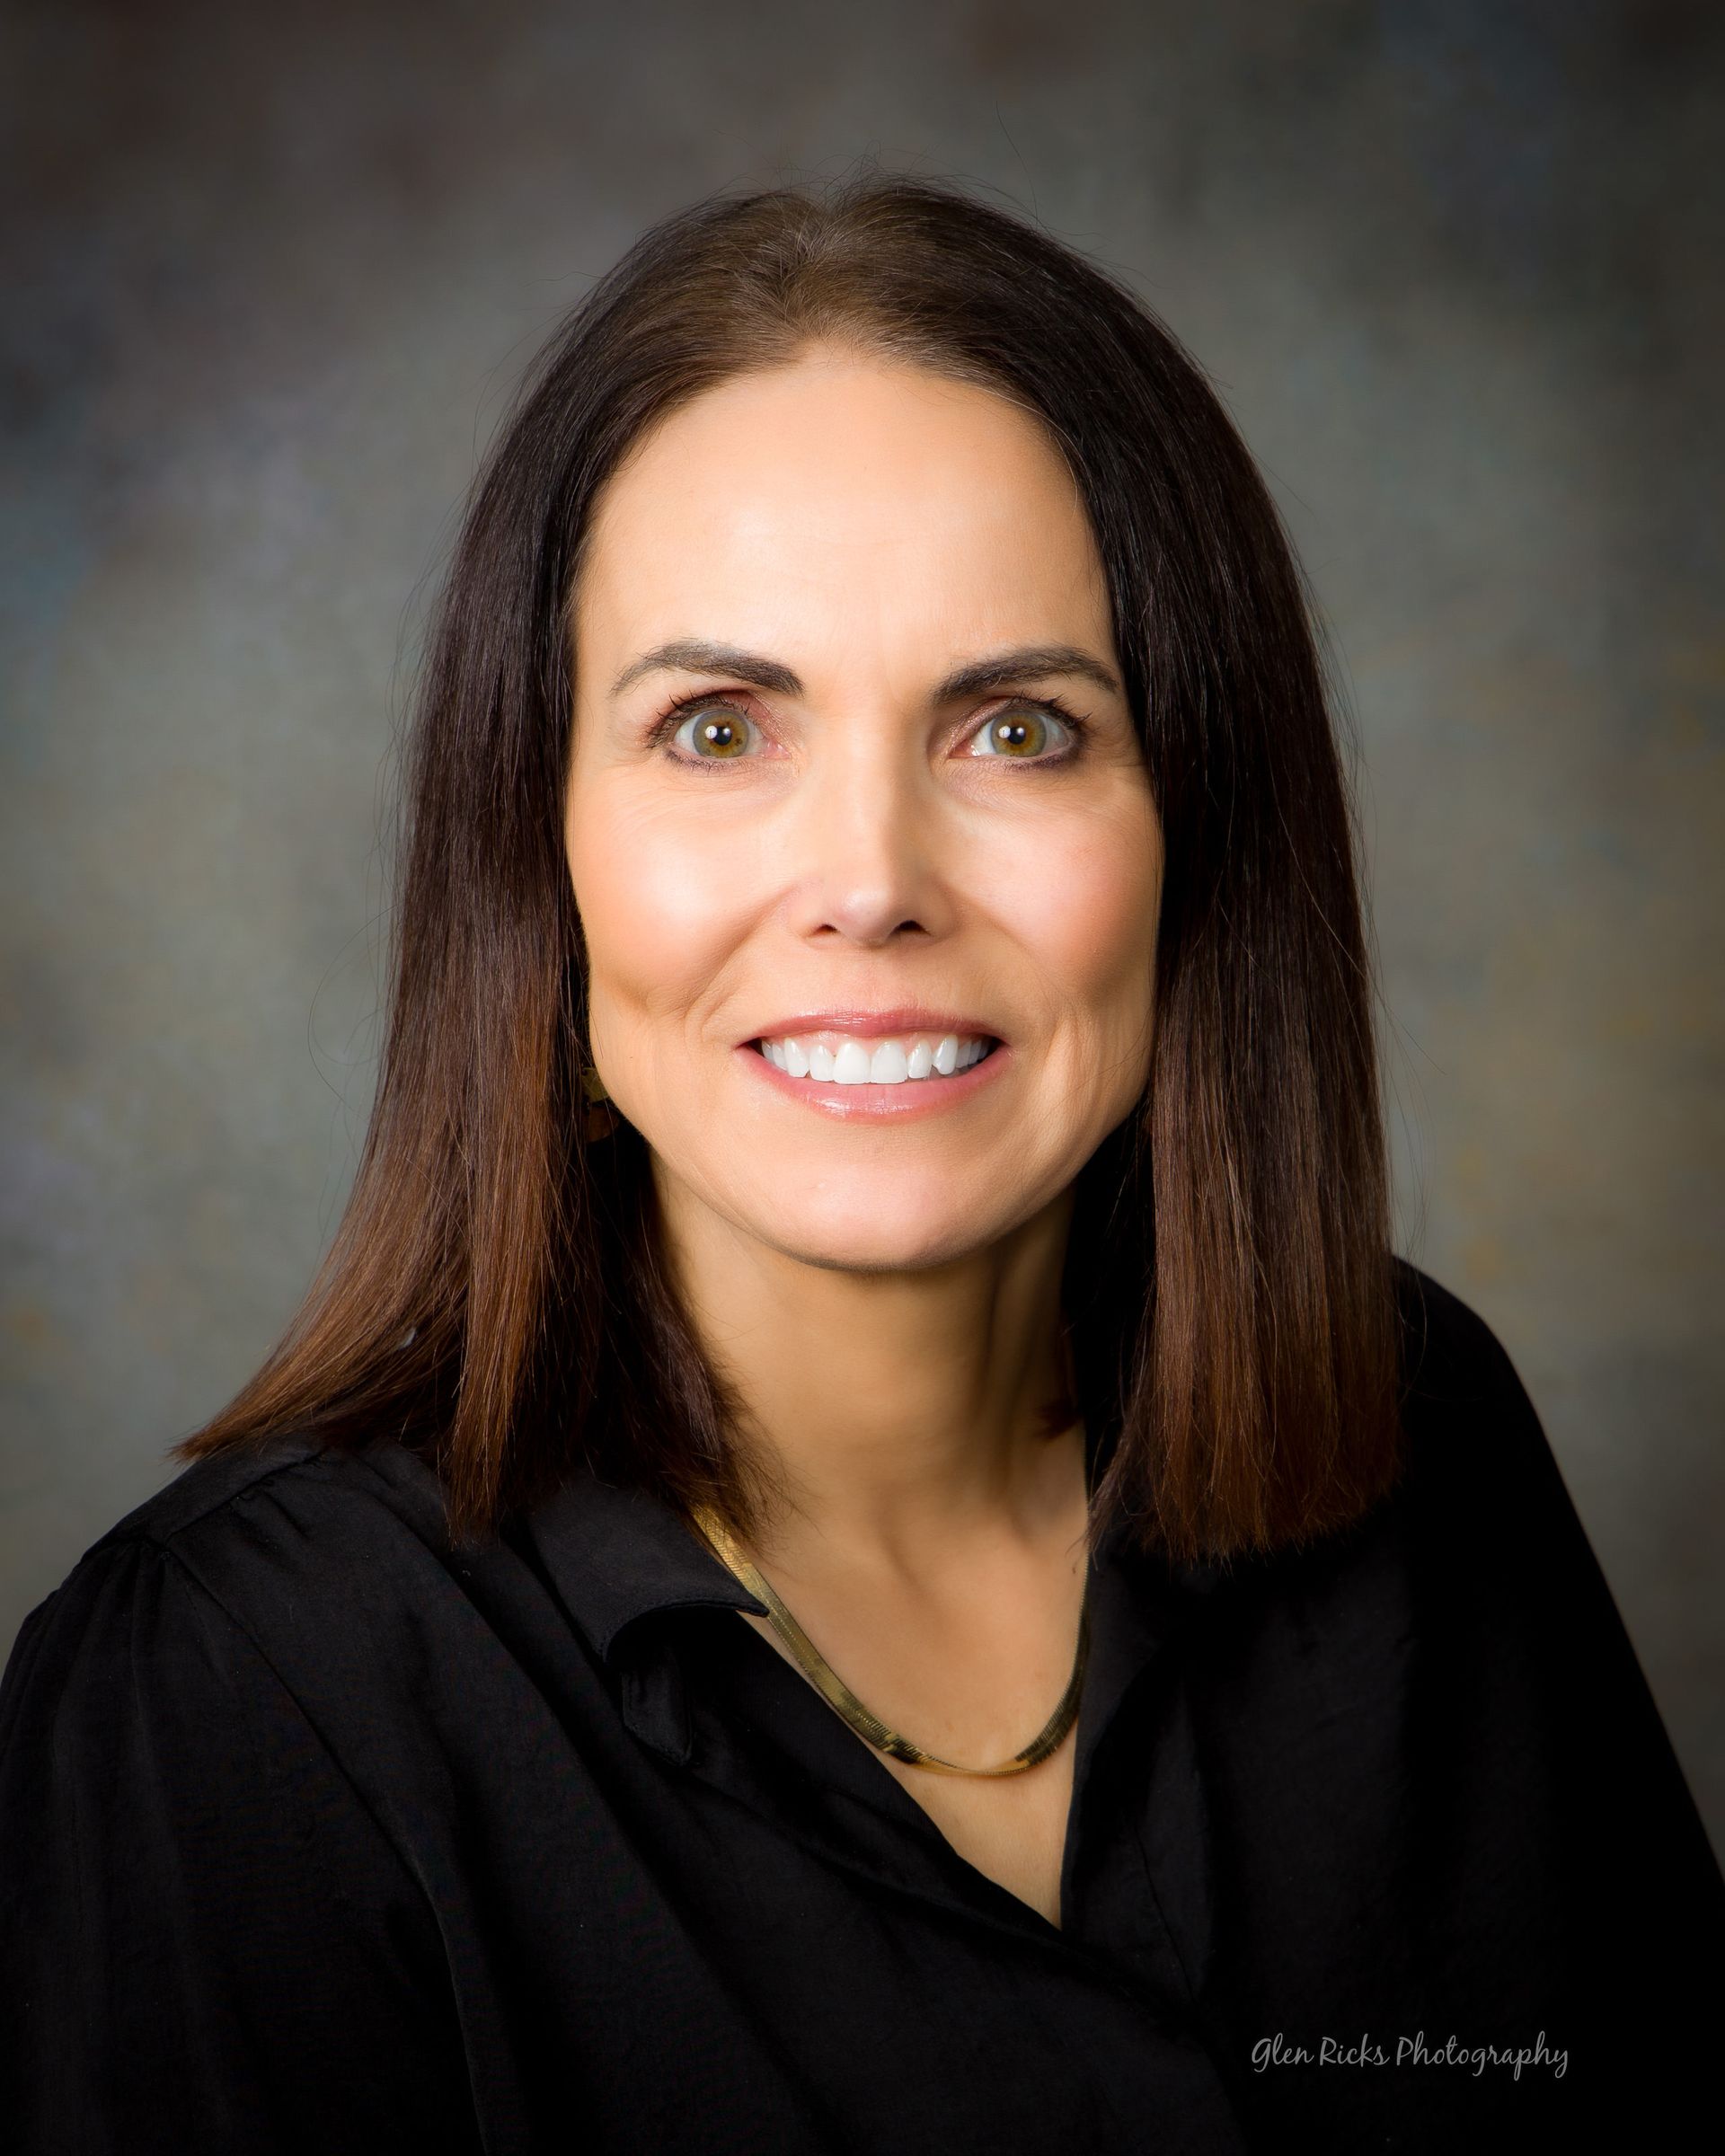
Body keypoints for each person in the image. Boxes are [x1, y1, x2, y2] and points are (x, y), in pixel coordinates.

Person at [2, 172, 1720, 2154]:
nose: (873, 887)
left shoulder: (1418, 1441)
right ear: (535, 855)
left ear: (1199, 836)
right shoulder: (234, 1705)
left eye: (1015, 731)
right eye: (720, 730)